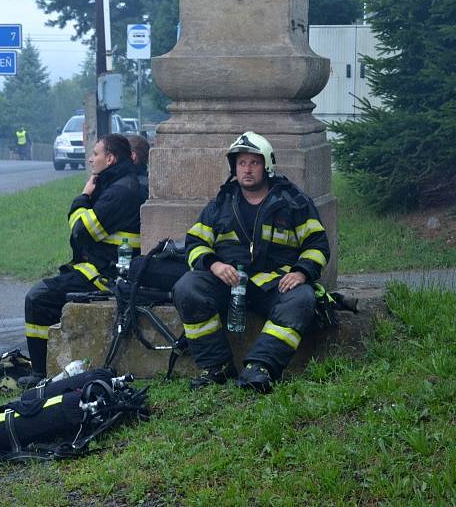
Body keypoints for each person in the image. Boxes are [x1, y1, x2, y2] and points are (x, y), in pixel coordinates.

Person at [173, 131, 330, 393]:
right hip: (229, 283)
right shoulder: (221, 204)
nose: (247, 169)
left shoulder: (293, 202)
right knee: (187, 288)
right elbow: (195, 242)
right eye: (241, 163)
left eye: (254, 163)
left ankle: (260, 368)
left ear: (267, 165)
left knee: (302, 299)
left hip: (275, 284)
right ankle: (216, 367)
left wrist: (302, 273)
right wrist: (215, 265)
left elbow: (318, 245)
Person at [20, 133, 145, 386]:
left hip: (107, 275)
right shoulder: (116, 183)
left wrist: (83, 197)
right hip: (100, 266)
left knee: (38, 298)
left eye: (95, 154)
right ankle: (50, 366)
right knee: (46, 295)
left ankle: (40, 374)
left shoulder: (121, 190)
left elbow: (80, 229)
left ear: (109, 159)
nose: (90, 159)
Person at [127, 134, 150, 202]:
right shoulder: (150, 181)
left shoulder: (127, 186)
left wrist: (92, 198)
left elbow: (97, 212)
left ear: (133, 156)